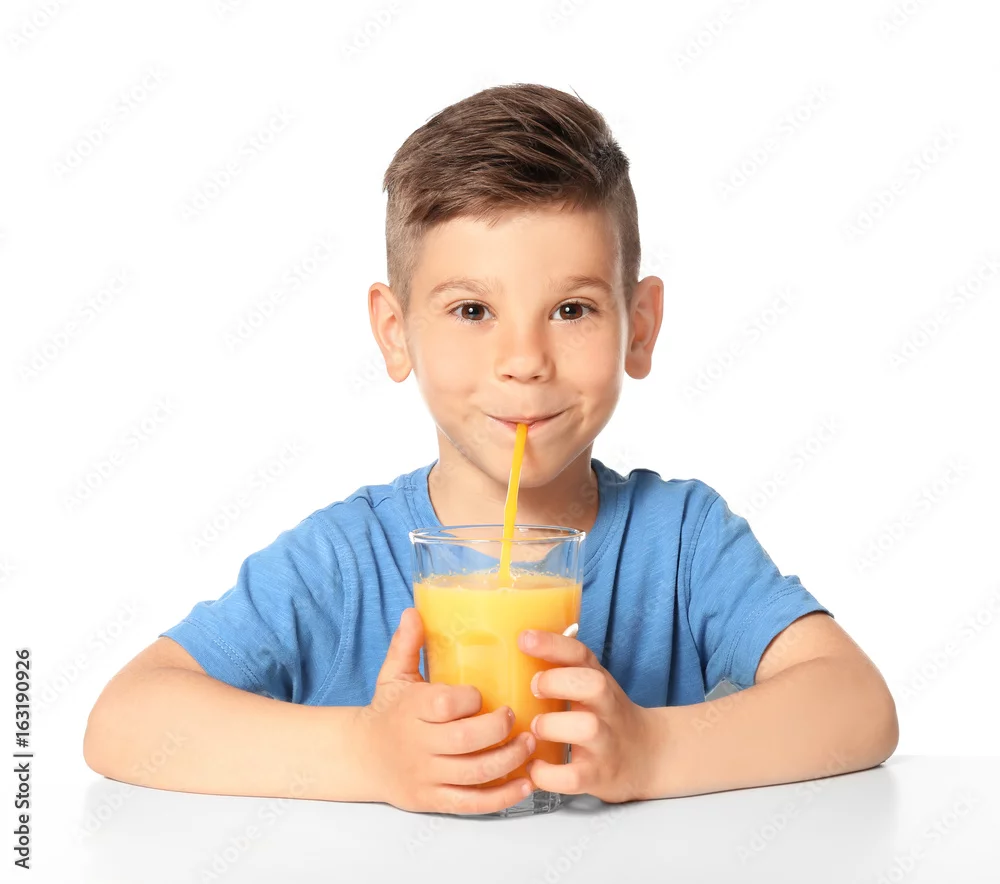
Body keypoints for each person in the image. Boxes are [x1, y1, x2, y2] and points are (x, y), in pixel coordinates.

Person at [83, 83, 898, 815]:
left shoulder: (682, 542)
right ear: (395, 333)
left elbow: (858, 706)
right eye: (472, 311)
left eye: (572, 310)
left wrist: (652, 750)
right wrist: (367, 754)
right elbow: (124, 720)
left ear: (639, 328)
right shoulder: (344, 562)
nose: (524, 360)